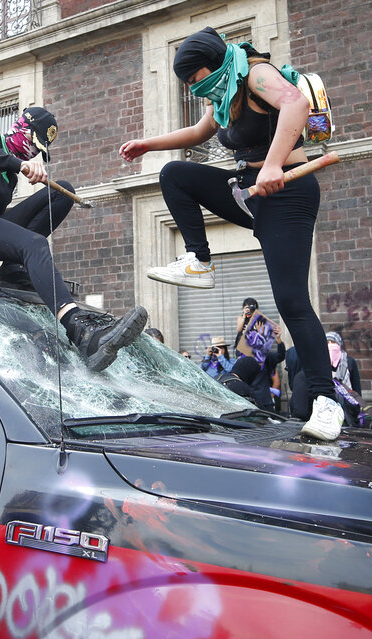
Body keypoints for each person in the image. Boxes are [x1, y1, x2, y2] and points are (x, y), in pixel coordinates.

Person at [119, 27, 343, 441]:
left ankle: (326, 402)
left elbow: (295, 103)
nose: (193, 87)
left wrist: (275, 163)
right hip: (247, 192)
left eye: (193, 78)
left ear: (210, 64)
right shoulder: (224, 93)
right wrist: (148, 144)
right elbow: (199, 134)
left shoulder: (255, 74)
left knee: (291, 301)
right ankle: (199, 260)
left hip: (287, 193)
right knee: (175, 174)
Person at [0, 107, 148, 372]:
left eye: (38, 151)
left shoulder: (9, 178)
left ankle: (13, 268)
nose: (33, 154)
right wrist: (17, 164)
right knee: (33, 243)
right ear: (22, 129)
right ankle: (79, 330)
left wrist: (16, 169)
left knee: (63, 191)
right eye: (33, 145)